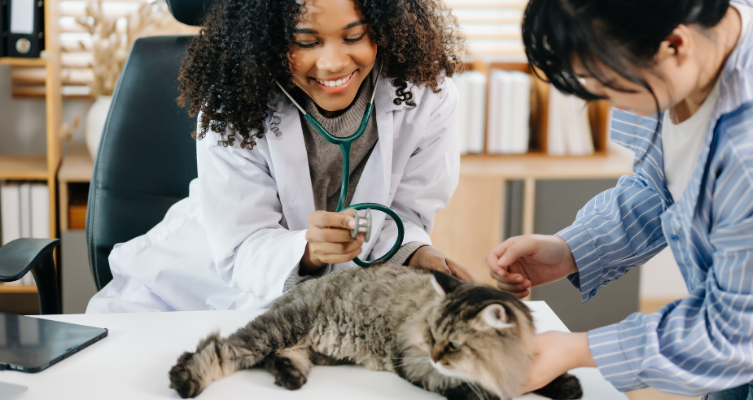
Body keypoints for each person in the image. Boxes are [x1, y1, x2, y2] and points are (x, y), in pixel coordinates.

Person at [489, 0, 753, 400]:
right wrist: (573, 249)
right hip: (740, 329)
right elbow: (665, 187)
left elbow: (735, 334)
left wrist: (579, 350)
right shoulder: (689, 39)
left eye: (608, 81)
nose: (606, 101)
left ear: (674, 45)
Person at [87, 0, 471, 313]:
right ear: (270, 37)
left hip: (329, 305)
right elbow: (243, 246)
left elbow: (401, 215)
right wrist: (306, 251)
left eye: (354, 35)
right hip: (191, 289)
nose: (334, 63)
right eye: (306, 42)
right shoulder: (234, 105)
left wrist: (417, 253)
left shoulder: (425, 96)